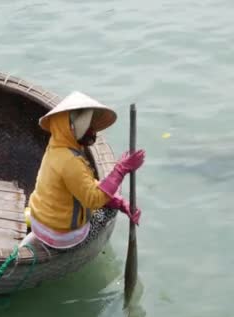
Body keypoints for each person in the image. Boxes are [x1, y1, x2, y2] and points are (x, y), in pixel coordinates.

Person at [21, 91, 145, 250]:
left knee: (108, 198)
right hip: (61, 237)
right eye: (86, 126)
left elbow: (80, 181)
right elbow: (94, 199)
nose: (92, 131)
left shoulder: (55, 148)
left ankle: (39, 236)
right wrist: (120, 170)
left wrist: (119, 201)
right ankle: (65, 245)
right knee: (106, 213)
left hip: (38, 222)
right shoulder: (71, 162)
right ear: (70, 128)